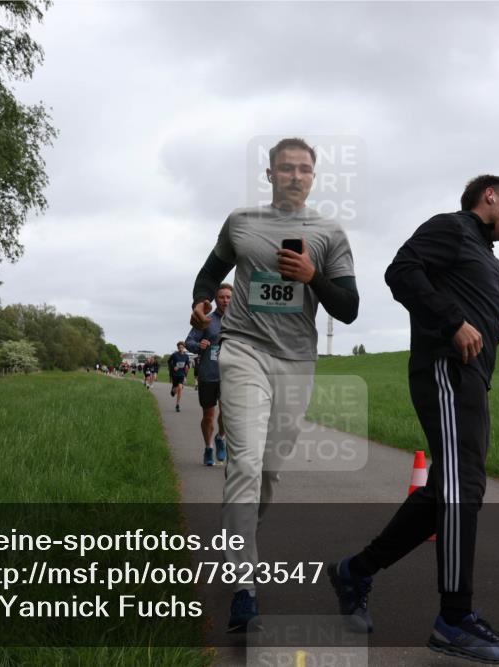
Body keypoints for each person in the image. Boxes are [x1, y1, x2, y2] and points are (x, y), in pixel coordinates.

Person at [327, 175, 499, 664]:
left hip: (473, 379)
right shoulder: (452, 228)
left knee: (446, 492)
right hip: (446, 371)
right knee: (463, 490)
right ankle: (454, 619)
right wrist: (451, 322)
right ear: (490, 196)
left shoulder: (487, 257)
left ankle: (355, 570)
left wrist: (494, 330)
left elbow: (464, 310)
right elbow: (401, 271)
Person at [190, 137, 360, 631]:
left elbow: (348, 309)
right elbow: (210, 271)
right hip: (242, 350)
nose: (294, 176)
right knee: (242, 461)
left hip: (296, 360)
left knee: (267, 471)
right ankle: (244, 583)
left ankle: (240, 536)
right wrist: (203, 300)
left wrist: (312, 276)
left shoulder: (329, 232)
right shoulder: (242, 222)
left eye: (304, 170)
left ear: (314, 177)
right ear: (269, 174)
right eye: (285, 168)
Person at [186, 282, 232, 466]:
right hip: (208, 375)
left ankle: (221, 438)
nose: (225, 300)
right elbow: (189, 341)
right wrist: (198, 346)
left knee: (228, 413)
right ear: (216, 299)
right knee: (208, 416)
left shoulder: (239, 321)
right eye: (221, 297)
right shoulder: (206, 320)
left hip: (230, 375)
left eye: (229, 297)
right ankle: (208, 447)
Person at [168, 342, 191, 412]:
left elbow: (187, 365)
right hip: (175, 374)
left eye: (182, 347)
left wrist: (186, 374)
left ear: (184, 347)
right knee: (175, 389)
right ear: (178, 348)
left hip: (181, 374)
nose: (181, 348)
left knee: (180, 388)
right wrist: (173, 367)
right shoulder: (174, 355)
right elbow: (169, 361)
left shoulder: (186, 356)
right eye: (179, 347)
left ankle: (177, 405)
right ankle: (173, 390)